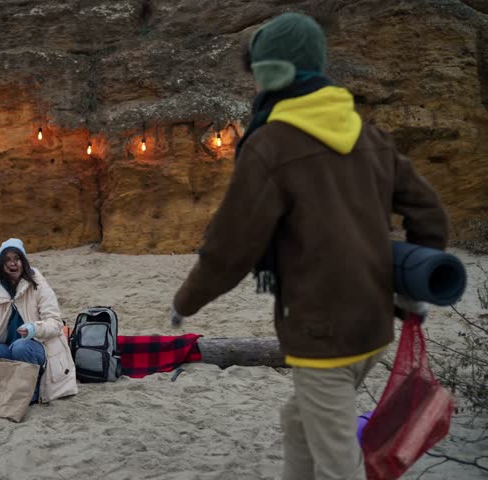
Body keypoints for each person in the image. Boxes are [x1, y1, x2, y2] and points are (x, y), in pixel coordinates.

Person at [168, 13, 448, 480]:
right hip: (374, 326)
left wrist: (186, 302)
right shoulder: (366, 134)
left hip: (322, 334)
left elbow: (229, 247)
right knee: (298, 421)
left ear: (271, 72)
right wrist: (413, 278)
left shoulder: (271, 144)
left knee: (340, 462)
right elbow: (430, 213)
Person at [0, 239, 77, 403]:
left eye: (16, 258)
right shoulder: (0, 291)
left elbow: (55, 323)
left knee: (21, 347)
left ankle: (32, 392)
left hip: (41, 348)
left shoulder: (39, 286)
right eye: (7, 260)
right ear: (1, 265)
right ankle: (3, 389)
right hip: (10, 349)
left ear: (24, 261)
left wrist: (34, 328)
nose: (12, 263)